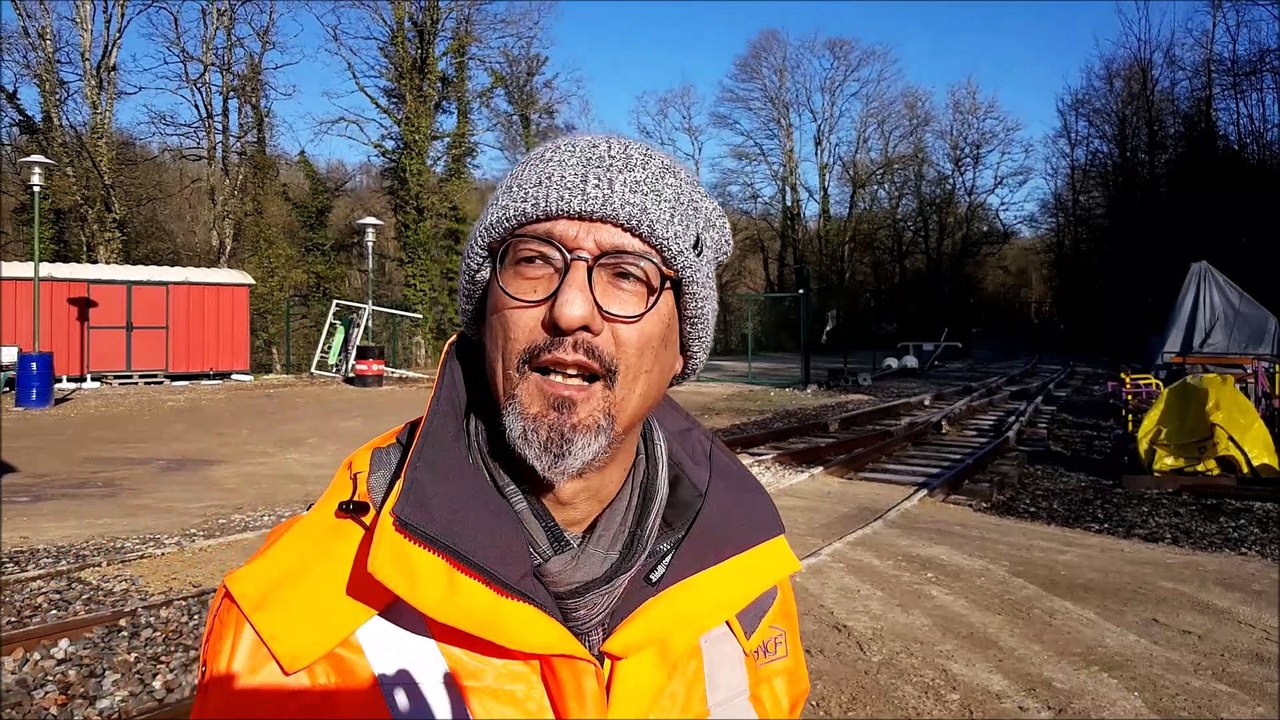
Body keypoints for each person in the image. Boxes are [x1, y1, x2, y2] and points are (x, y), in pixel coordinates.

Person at [190, 134, 810, 719]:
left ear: (682, 348)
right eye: (534, 261)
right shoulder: (295, 632)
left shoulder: (745, 579)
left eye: (627, 274)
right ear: (485, 315)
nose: (570, 310)